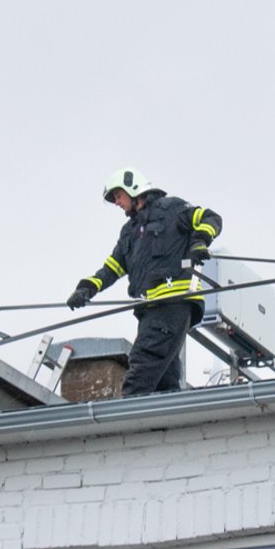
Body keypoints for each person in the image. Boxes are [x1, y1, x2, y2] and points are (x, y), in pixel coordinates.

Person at [67, 169, 223, 395]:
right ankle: (163, 426)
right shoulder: (130, 233)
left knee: (140, 374)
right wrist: (86, 289)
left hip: (172, 303)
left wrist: (199, 242)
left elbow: (211, 218)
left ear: (133, 189)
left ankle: (129, 424)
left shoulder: (172, 209)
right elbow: (112, 268)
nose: (117, 203)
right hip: (152, 310)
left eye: (118, 196)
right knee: (163, 383)